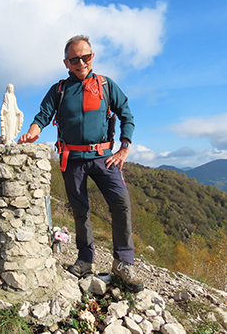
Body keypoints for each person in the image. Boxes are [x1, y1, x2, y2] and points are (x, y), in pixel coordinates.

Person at [18, 35, 143, 292]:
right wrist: (32, 132)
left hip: (104, 158)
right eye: (74, 59)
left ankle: (123, 264)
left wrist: (125, 147)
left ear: (92, 56)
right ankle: (85, 261)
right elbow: (43, 115)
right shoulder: (59, 89)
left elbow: (126, 114)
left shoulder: (106, 85)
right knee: (80, 210)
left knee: (121, 204)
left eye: (85, 57)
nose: (81, 62)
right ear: (66, 62)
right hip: (71, 159)